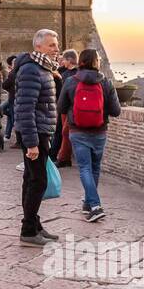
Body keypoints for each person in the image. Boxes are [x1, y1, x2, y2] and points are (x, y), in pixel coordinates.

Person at [57, 48, 122, 222]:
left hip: (77, 131)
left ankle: (93, 205)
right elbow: (116, 111)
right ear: (96, 62)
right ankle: (90, 203)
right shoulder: (106, 82)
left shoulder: (71, 81)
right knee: (94, 168)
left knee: (85, 168)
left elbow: (61, 107)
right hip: (100, 132)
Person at [14, 30, 61, 246]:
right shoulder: (32, 70)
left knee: (31, 180)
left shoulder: (42, 69)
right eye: (51, 45)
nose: (56, 48)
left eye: (56, 45)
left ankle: (34, 225)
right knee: (38, 181)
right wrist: (32, 143)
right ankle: (28, 230)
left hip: (41, 131)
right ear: (38, 47)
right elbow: (25, 108)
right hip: (35, 133)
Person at [53, 49, 80, 166]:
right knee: (62, 132)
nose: (61, 61)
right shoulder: (63, 72)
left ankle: (60, 157)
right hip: (64, 107)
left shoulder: (73, 75)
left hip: (68, 108)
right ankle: (59, 156)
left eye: (63, 59)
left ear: (69, 60)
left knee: (63, 133)